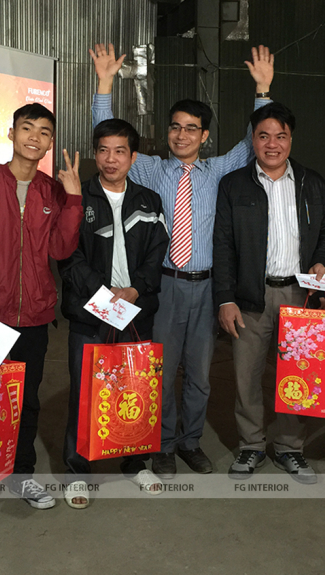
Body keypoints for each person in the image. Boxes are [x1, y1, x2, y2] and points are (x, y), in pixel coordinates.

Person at [89, 43, 274, 478]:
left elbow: (253, 142)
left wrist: (263, 91)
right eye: (175, 127)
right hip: (165, 285)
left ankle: (191, 441)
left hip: (208, 287)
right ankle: (164, 445)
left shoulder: (219, 171)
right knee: (161, 369)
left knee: (200, 375)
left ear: (204, 136)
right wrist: (104, 85)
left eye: (192, 129)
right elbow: (110, 139)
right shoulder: (151, 169)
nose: (182, 135)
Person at [0, 104, 83, 524]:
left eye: (44, 132)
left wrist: (73, 197)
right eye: (27, 128)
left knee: (25, 402)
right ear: (12, 133)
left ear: (50, 142)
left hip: (35, 318)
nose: (34, 137)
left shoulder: (53, 191)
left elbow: (60, 250)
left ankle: (21, 474)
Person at [213, 102, 325, 484]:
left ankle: (289, 448)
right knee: (246, 376)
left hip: (299, 296)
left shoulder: (311, 182)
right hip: (250, 297)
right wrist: (225, 298)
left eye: (280, 136)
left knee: (296, 375)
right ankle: (251, 445)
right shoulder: (233, 185)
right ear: (252, 140)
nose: (272, 144)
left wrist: (321, 260)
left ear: (291, 139)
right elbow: (223, 245)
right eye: (263, 136)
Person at [58, 118, 170, 507]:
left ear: (133, 157)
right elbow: (68, 257)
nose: (111, 159)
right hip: (91, 314)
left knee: (135, 389)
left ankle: (136, 462)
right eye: (103, 150)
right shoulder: (79, 197)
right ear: (95, 154)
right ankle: (76, 471)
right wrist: (104, 295)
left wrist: (134, 290)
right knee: (84, 393)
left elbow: (157, 253)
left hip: (136, 312)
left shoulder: (149, 200)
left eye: (120, 151)